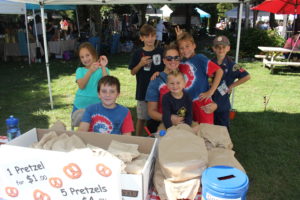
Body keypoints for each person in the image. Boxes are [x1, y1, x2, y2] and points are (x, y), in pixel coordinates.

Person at [146, 43, 217, 133]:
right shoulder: (156, 80)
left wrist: (215, 104)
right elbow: (151, 112)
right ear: (164, 60)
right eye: (169, 58)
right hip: (161, 122)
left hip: (183, 120)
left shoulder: (185, 77)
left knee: (200, 132)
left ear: (180, 60)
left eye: (176, 58)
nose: (173, 61)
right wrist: (169, 118)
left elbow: (200, 92)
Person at [175, 30, 223, 124]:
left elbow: (219, 71)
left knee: (205, 131)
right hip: (186, 103)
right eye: (182, 48)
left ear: (194, 46)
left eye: (187, 46)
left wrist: (211, 91)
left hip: (202, 102)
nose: (185, 50)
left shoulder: (200, 58)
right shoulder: (180, 62)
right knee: (184, 129)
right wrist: (179, 39)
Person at [128, 24, 164, 136]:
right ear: (141, 38)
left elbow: (167, 68)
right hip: (143, 90)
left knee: (155, 118)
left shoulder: (161, 52)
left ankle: (154, 138)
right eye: (147, 36)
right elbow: (132, 72)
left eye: (152, 36)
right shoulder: (138, 53)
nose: (150, 39)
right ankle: (137, 139)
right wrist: (140, 64)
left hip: (158, 91)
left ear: (155, 37)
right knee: (141, 118)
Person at [211, 35, 250, 130]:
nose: (221, 50)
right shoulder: (209, 63)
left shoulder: (232, 65)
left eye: (223, 47)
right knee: (210, 127)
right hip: (210, 100)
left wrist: (232, 85)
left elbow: (246, 76)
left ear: (228, 48)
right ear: (213, 49)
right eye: (218, 47)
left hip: (223, 103)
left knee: (223, 128)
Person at [73, 42, 109, 112]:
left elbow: (107, 85)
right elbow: (81, 86)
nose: (85, 59)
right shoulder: (80, 70)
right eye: (82, 57)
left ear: (94, 55)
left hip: (97, 106)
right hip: (80, 107)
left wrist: (103, 67)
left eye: (87, 55)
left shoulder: (103, 70)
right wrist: (90, 71)